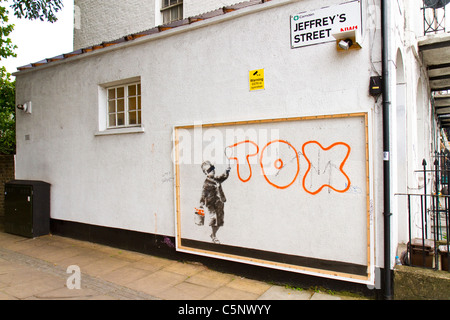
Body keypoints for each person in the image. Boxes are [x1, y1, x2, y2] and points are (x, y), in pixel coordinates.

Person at [199, 161, 231, 244]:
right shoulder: (206, 183)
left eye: (213, 168)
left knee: (220, 220)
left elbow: (222, 177)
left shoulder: (216, 179)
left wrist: (226, 171)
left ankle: (213, 234)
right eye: (210, 170)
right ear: (205, 173)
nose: (212, 170)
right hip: (211, 204)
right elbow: (203, 193)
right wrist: (201, 203)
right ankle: (213, 236)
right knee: (214, 219)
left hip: (219, 202)